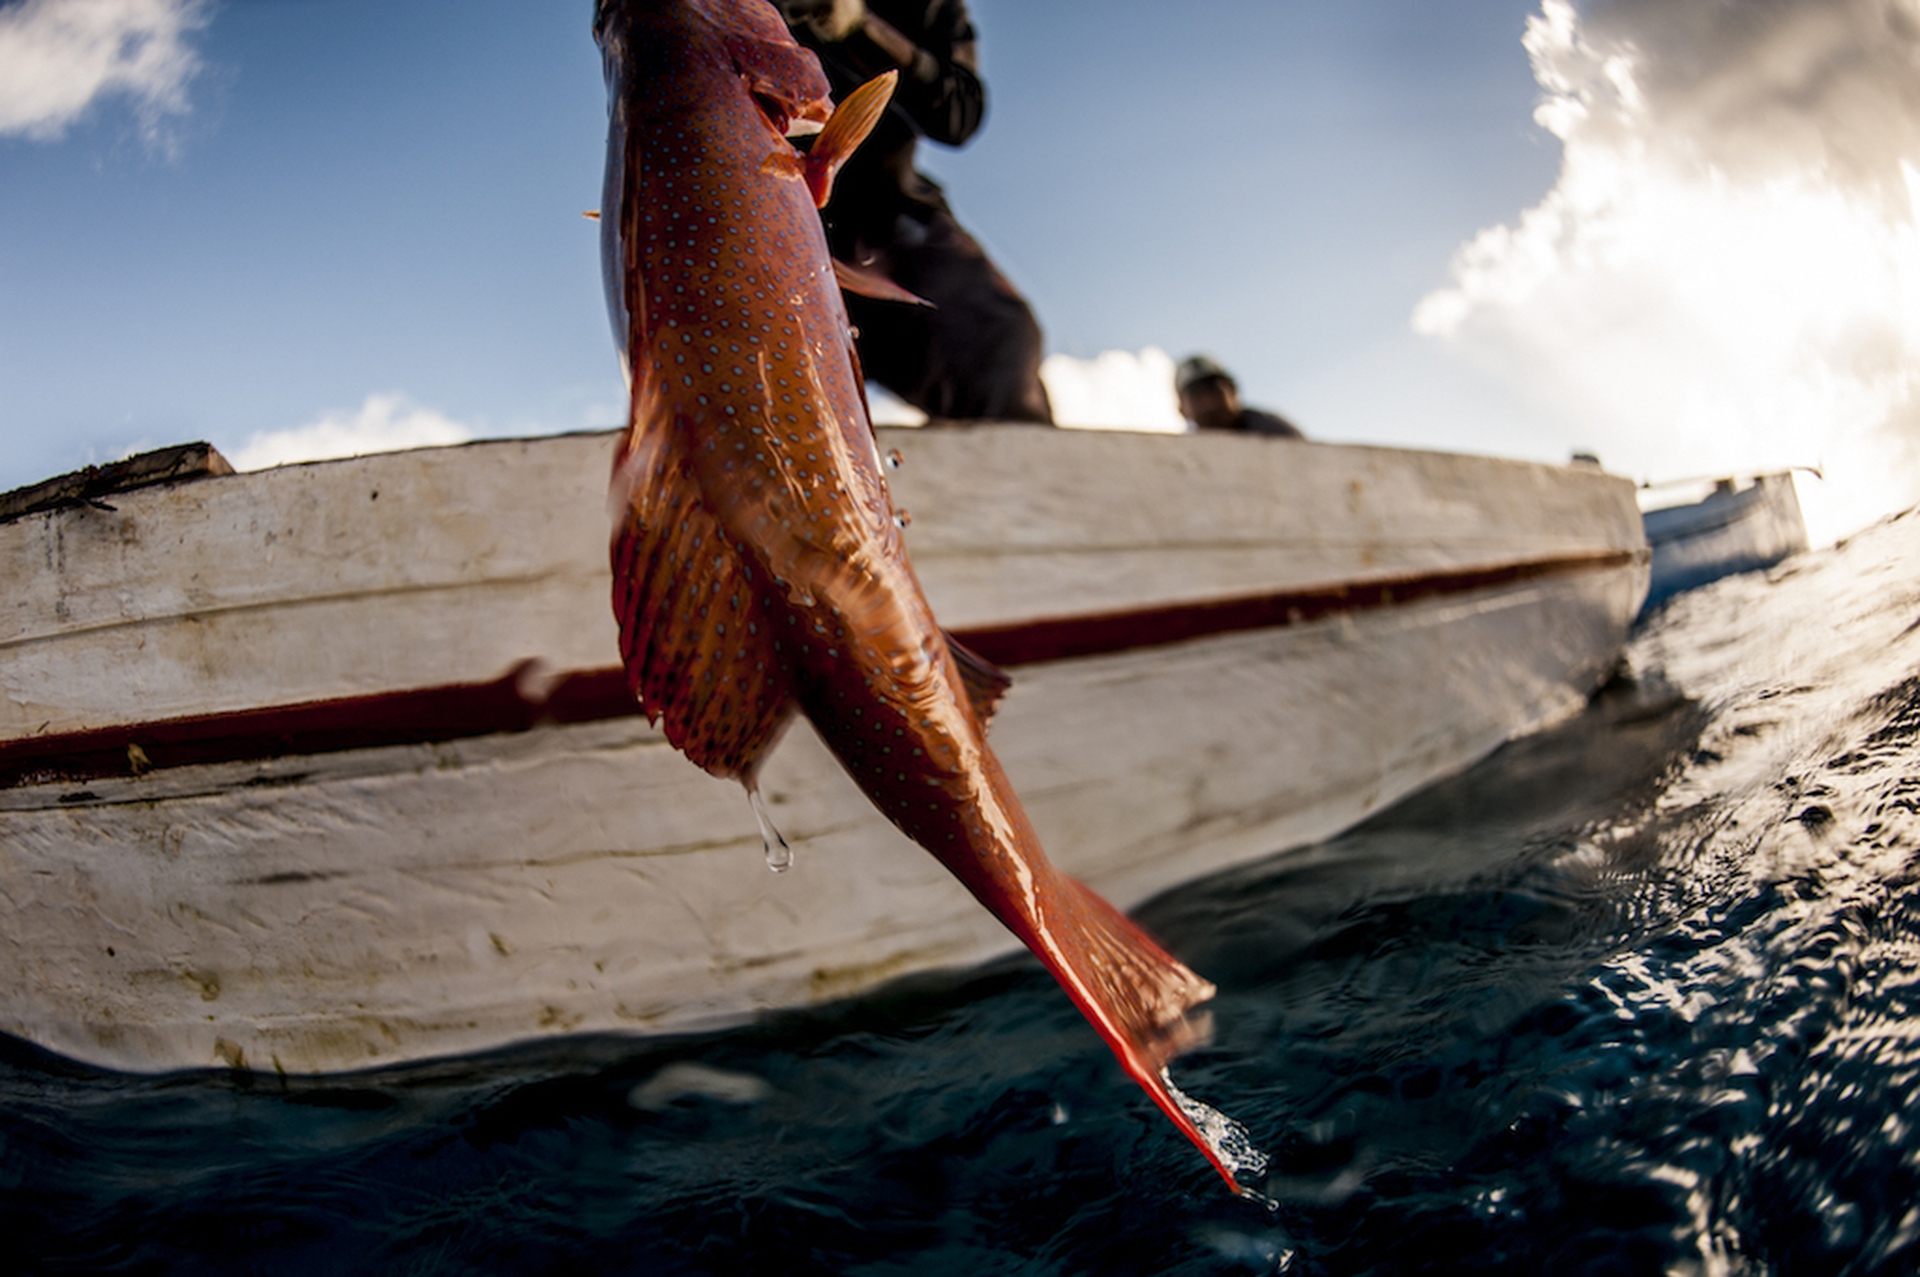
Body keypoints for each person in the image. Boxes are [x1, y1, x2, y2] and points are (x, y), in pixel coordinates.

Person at [780, 0, 1053, 424]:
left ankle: (1026, 486)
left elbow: (959, 111)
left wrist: (857, 24)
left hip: (891, 231)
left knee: (997, 345)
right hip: (731, 227)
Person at [1175, 355, 1304, 438]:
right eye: (1196, 397)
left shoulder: (1273, 432)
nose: (1208, 403)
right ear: (1182, 410)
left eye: (1214, 391)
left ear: (1233, 392)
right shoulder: (1182, 455)